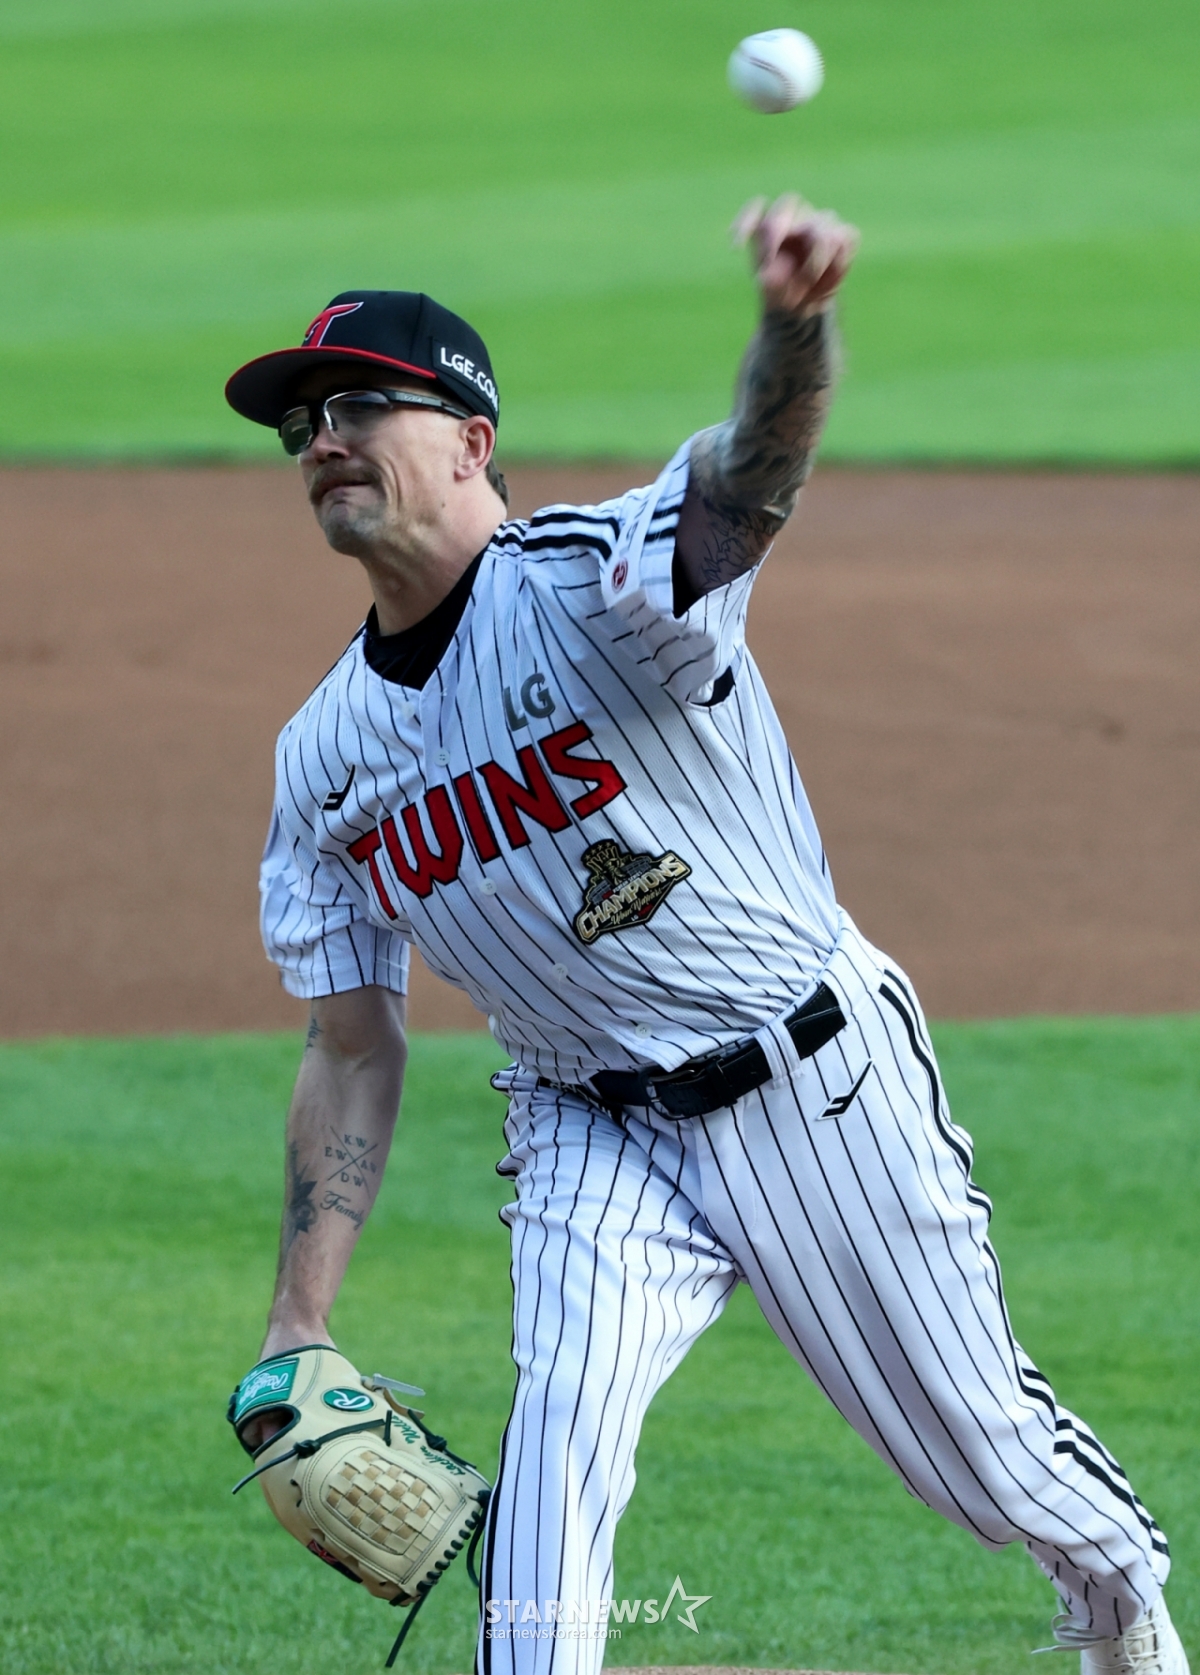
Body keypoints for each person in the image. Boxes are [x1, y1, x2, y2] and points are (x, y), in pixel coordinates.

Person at [224, 198, 1185, 1675]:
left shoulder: (601, 585)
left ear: (473, 440)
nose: (322, 441)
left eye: (359, 407)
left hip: (813, 1081)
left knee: (991, 1460)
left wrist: (795, 325)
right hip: (586, 1127)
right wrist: (299, 1318)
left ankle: (1126, 1610)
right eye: (304, 424)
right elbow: (352, 1042)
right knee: (553, 1466)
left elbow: (755, 472)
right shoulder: (324, 759)